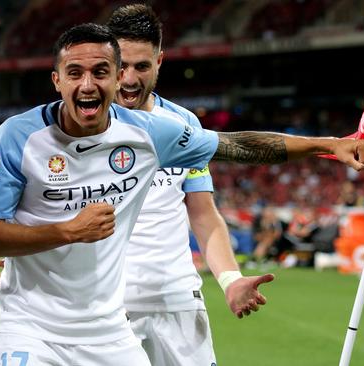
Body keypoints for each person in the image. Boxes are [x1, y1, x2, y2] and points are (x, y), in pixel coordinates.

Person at [0, 23, 364, 366]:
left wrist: (327, 144)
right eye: (74, 73)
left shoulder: (149, 133)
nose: (88, 84)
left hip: (109, 329)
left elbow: (238, 146)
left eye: (101, 72)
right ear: (56, 80)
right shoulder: (17, 138)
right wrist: (66, 232)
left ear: (115, 78)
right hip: (30, 327)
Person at [107, 5, 273, 365]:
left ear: (160, 61)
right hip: (104, 306)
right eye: (120, 66)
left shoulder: (183, 124)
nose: (129, 79)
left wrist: (230, 279)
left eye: (142, 66)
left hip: (177, 300)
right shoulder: (79, 122)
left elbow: (203, 213)